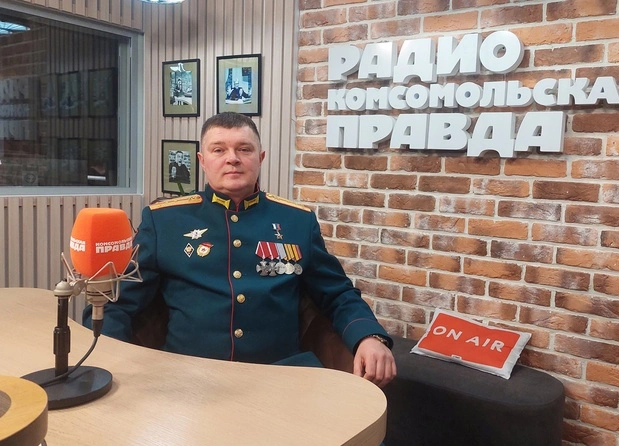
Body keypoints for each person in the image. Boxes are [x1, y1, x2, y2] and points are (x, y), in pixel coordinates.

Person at [83, 112, 396, 388]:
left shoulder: (297, 221)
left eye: (244, 149)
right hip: (186, 376)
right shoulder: (165, 221)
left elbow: (337, 293)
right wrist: (109, 359)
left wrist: (368, 336)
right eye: (219, 149)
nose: (232, 158)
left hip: (282, 375)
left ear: (260, 158)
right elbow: (118, 302)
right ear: (202, 160)